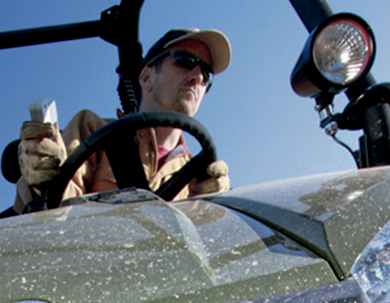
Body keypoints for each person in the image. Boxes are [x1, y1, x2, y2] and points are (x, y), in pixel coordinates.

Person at [14, 28, 231, 213]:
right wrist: (42, 179)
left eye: (206, 73)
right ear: (146, 77)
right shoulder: (92, 131)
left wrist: (216, 208)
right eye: (185, 60)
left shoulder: (199, 177)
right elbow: (57, 214)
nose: (198, 77)